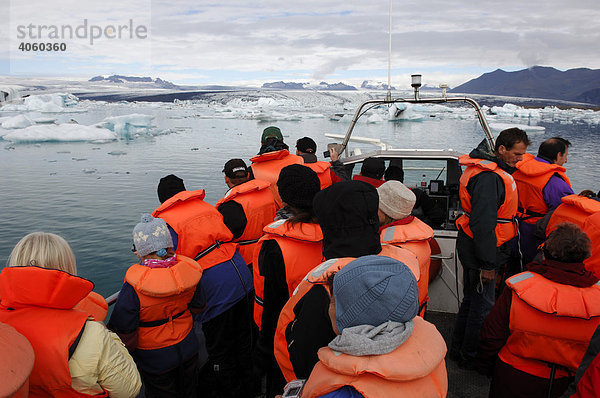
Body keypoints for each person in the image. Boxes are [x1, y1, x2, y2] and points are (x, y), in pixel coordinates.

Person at [273, 180, 421, 383]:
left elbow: (304, 358)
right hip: (390, 374)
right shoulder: (402, 262)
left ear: (328, 224)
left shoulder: (326, 288)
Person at [0, 232, 141, 397]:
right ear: (67, 268)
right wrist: (109, 335)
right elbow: (130, 389)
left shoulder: (3, 327)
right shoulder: (92, 333)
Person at [152, 174, 254, 398]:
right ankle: (252, 390)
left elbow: (165, 265)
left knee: (220, 353)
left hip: (216, 291)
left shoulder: (168, 223)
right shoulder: (206, 207)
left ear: (163, 201)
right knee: (244, 344)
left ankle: (230, 393)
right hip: (242, 277)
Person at [476, 223, 600, 398]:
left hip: (513, 379)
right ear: (584, 256)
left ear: (546, 253)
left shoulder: (519, 286)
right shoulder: (597, 296)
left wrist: (486, 368)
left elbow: (491, 334)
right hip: (567, 385)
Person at [300, 255, 448, 398]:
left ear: (354, 319)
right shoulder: (428, 350)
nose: (329, 309)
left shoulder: (346, 390)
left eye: (334, 302)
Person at [450, 127, 530, 368]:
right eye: (517, 154)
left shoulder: (487, 172)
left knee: (472, 301)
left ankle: (459, 350)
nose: (520, 159)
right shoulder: (489, 178)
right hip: (483, 250)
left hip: (474, 245)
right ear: (501, 150)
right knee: (482, 305)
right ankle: (471, 356)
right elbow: (483, 224)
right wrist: (487, 263)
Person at [108, 214, 203, 397]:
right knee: (189, 390)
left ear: (140, 252)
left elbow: (124, 328)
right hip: (188, 346)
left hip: (155, 358)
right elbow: (199, 306)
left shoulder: (134, 287)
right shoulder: (189, 273)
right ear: (169, 245)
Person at [253, 164, 324, 398]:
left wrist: (263, 350)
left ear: (282, 196)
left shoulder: (274, 245)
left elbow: (271, 304)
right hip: (324, 331)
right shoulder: (332, 231)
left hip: (285, 339)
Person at [513, 137, 574, 264]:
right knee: (531, 268)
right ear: (558, 155)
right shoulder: (554, 182)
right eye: (565, 156)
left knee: (513, 265)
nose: (566, 160)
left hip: (513, 228)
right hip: (535, 234)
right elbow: (565, 213)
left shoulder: (518, 169)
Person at [377, 180, 434, 313]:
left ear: (386, 212)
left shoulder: (393, 248)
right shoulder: (417, 237)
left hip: (400, 319)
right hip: (418, 310)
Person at [216, 158, 278, 269]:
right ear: (248, 176)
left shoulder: (230, 205)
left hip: (246, 260)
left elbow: (221, 236)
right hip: (270, 249)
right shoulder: (267, 193)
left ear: (226, 179)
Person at [250, 126, 303, 206]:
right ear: (282, 141)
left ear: (261, 143)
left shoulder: (252, 169)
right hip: (298, 215)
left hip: (269, 215)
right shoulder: (299, 161)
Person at [384, 163, 445, 228]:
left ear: (385, 178)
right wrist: (421, 226)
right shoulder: (418, 195)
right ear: (402, 179)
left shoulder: (379, 195)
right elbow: (438, 217)